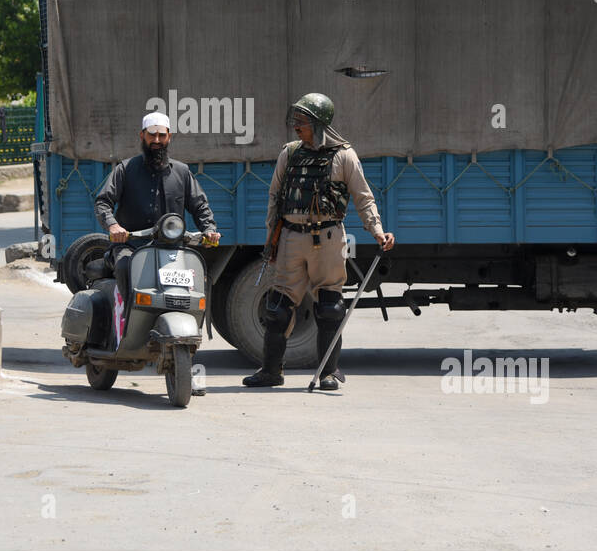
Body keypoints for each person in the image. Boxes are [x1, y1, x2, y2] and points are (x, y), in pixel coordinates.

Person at [243, 93, 395, 391]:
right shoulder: (289, 153)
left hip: (328, 238)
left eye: (302, 121)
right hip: (290, 237)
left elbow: (363, 198)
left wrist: (376, 230)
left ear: (318, 123)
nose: (296, 126)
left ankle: (328, 372)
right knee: (277, 309)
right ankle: (271, 371)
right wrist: (270, 240)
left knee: (329, 306)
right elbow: (275, 198)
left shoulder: (344, 156)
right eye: (296, 120)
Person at [94, 112, 221, 353]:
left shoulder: (182, 172)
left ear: (169, 137)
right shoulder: (125, 169)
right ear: (142, 136)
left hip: (171, 250)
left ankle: (189, 345)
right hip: (131, 246)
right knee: (124, 266)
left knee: (197, 279)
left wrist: (210, 230)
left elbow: (200, 206)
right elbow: (103, 202)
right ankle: (125, 326)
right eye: (152, 134)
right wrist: (113, 226)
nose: (157, 140)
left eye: (162, 135)